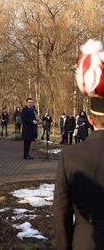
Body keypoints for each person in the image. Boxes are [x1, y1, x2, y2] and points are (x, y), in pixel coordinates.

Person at [54, 97, 104, 249]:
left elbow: (61, 211)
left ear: (90, 119)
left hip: (85, 241)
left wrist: (64, 246)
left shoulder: (69, 155)